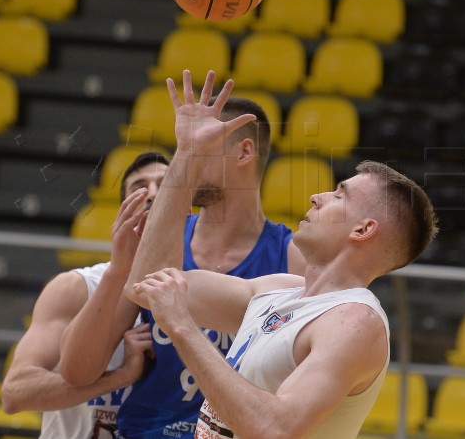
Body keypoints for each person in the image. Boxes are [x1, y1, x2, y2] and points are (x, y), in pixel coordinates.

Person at [125, 71, 438, 438]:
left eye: (339, 195)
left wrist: (182, 328)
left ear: (363, 230)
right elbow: (149, 285)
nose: (317, 197)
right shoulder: (278, 290)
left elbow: (275, 430)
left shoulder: (355, 323)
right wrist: (188, 156)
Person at [59, 78, 307, 438]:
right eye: (181, 148)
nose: (183, 159)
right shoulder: (159, 243)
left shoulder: (291, 257)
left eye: (199, 146)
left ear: (243, 153)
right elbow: (76, 372)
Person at [1, 152, 169, 438]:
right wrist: (120, 377)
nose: (152, 194)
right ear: (122, 211)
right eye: (139, 188)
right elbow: (16, 393)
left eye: (166, 186)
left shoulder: (210, 289)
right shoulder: (75, 287)